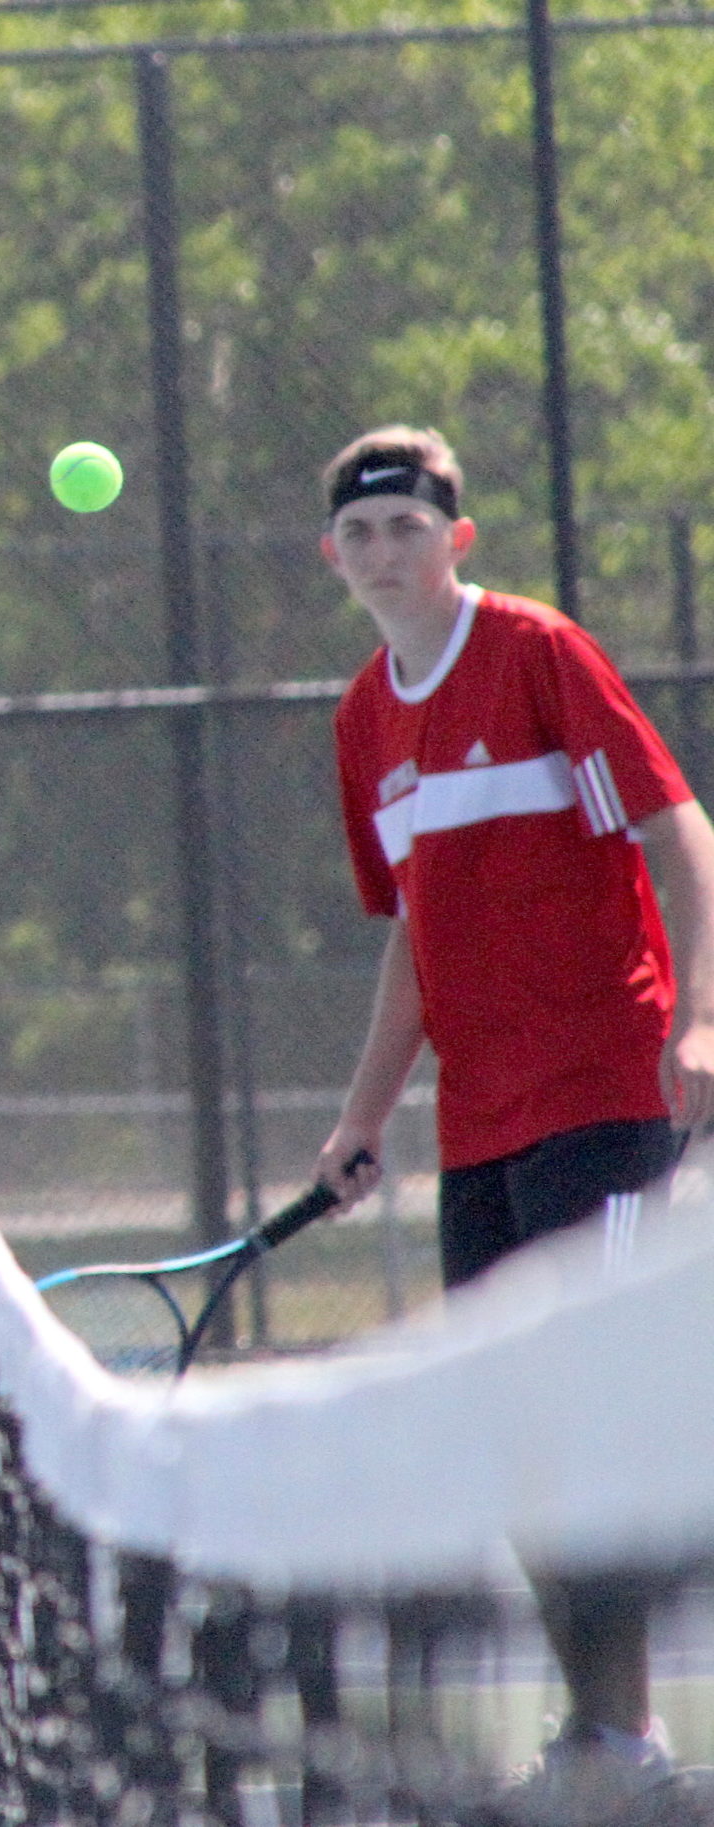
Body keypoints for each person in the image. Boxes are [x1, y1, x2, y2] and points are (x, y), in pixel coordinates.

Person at [309, 425, 714, 1823]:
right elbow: (416, 935)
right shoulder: (367, 717)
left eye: (406, 528)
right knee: (514, 1436)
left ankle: (624, 1735)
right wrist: (365, 1114)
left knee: (584, 1421)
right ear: (333, 556)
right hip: (478, 1127)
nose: (383, 553)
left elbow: (679, 829)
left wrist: (701, 1014)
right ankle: (607, 1730)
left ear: (455, 538)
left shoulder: (538, 652)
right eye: (360, 535)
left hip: (606, 1091)